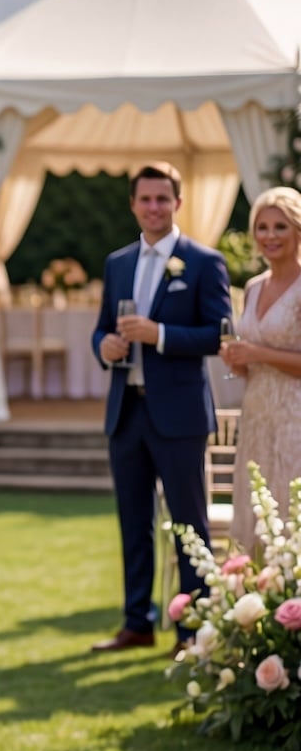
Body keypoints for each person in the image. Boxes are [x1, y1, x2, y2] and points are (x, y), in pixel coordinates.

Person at [91, 162, 230, 655]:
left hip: (180, 416)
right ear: (133, 204)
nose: (153, 207)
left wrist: (161, 336)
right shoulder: (117, 262)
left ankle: (194, 630)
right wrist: (103, 345)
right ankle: (138, 623)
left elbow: (219, 333)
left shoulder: (203, 261)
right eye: (145, 199)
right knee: (134, 522)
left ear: (178, 203)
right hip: (126, 411)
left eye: (162, 199)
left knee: (189, 525)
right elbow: (103, 326)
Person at [223, 186, 301, 549]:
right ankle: (256, 602)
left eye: (280, 227)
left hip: (295, 419)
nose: (270, 236)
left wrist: (257, 352)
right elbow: (253, 358)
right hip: (256, 415)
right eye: (262, 227)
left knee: (290, 514)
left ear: (298, 230)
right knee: (256, 512)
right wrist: (240, 362)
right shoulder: (253, 288)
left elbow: (263, 352)